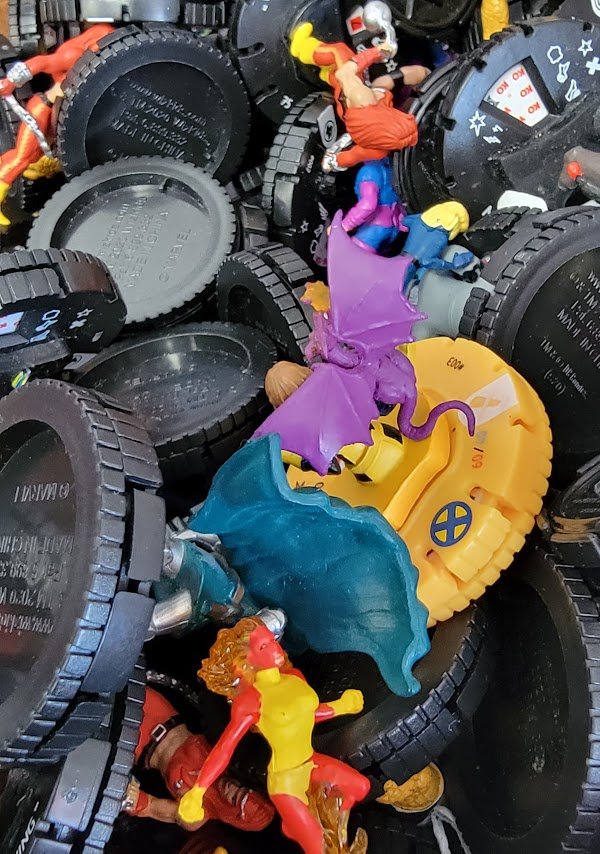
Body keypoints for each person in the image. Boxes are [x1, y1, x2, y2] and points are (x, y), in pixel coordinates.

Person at [176, 616, 370, 854]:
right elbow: (225, 748)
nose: (275, 648)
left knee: (360, 787)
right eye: (264, 647)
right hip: (286, 782)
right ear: (246, 660)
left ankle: (300, 825)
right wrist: (198, 791)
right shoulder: (251, 701)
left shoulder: (294, 677)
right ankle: (303, 825)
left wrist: (340, 707)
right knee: (319, 849)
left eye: (272, 641)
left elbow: (306, 714)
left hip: (311, 763)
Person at [0, 24, 114, 225]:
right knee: (21, 158)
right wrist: (11, 81)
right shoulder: (74, 55)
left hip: (60, 117)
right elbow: (42, 63)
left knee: (34, 162)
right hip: (43, 111)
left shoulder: (99, 62)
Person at [290, 22, 428, 171]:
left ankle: (302, 48)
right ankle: (327, 75)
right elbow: (353, 156)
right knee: (372, 84)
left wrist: (377, 52)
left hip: (349, 97)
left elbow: (344, 73)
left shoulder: (363, 99)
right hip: (348, 113)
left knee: (339, 52)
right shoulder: (379, 151)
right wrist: (334, 162)